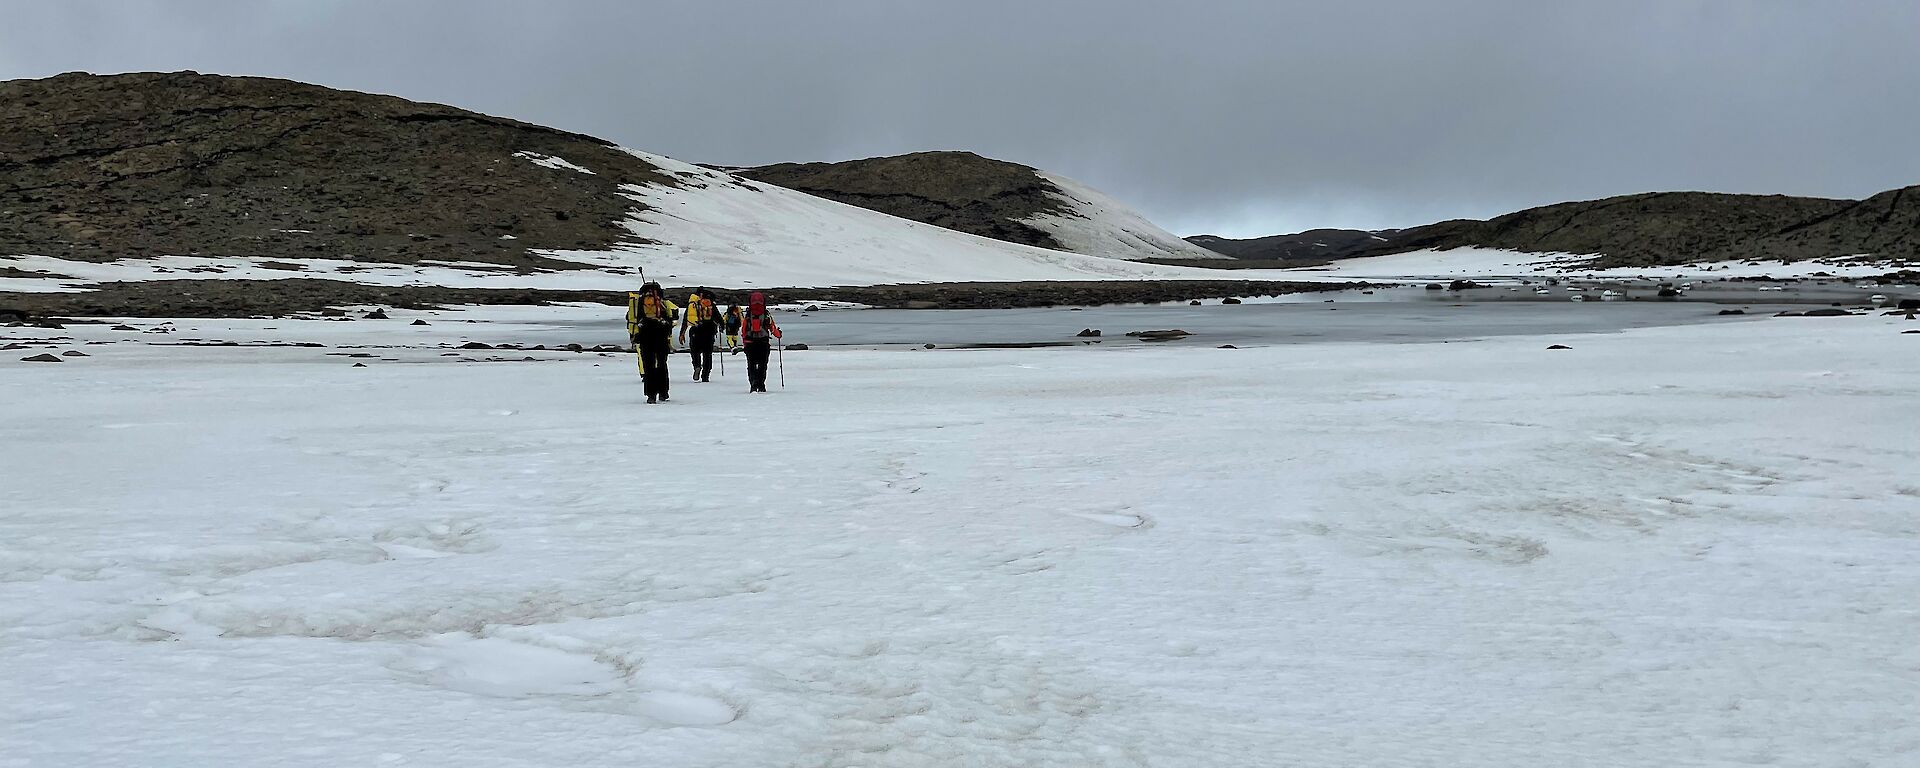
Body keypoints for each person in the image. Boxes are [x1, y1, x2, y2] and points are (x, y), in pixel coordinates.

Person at [626, 282, 678, 404]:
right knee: (661, 364)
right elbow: (673, 316)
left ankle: (651, 395)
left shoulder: (639, 302)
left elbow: (631, 318)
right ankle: (663, 392)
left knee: (648, 365)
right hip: (661, 336)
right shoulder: (663, 303)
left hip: (645, 336)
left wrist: (634, 335)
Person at [740, 291, 782, 393]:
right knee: (763, 365)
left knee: (751, 364)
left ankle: (753, 383)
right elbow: (773, 328)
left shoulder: (748, 315)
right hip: (763, 343)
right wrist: (779, 334)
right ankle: (761, 384)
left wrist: (745, 343)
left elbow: (744, 330)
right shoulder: (766, 314)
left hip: (750, 343)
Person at [679, 288, 720, 382]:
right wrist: (721, 326)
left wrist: (682, 334)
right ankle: (706, 375)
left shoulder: (692, 305)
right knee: (707, 355)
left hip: (695, 332)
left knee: (695, 352)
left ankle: (697, 366)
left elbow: (686, 320)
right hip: (709, 333)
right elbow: (719, 319)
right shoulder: (711, 305)